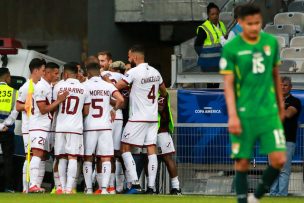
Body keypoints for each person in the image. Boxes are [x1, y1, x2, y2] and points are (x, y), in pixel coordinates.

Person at [220, 5, 286, 203]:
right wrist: (232, 115)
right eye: (250, 24)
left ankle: (255, 197)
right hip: (243, 113)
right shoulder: (231, 48)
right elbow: (229, 85)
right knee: (241, 163)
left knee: (279, 160)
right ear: (240, 23)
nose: (255, 27)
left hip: (269, 112)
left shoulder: (270, 43)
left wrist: (280, 105)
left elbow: (275, 74)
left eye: (258, 23)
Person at [115, 45, 167, 194]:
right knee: (151, 149)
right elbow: (164, 90)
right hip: (152, 117)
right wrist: (158, 102)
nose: (128, 59)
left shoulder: (133, 72)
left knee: (124, 147)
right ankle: (151, 187)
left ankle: (135, 183)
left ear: (135, 57)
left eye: (129, 56)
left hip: (138, 117)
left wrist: (106, 81)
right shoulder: (155, 72)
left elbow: (117, 86)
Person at [82, 62, 124, 195]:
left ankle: (88, 189)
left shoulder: (84, 86)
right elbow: (121, 99)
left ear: (88, 72)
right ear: (99, 72)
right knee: (106, 158)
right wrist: (114, 109)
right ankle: (105, 189)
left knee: (88, 158)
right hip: (105, 126)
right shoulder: (107, 85)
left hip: (89, 126)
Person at [28, 62, 68, 193]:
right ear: (48, 73)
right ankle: (32, 184)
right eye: (56, 73)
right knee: (37, 153)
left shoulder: (48, 86)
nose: (57, 76)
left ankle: (36, 185)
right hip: (38, 125)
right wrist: (59, 100)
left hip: (45, 126)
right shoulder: (40, 87)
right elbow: (43, 109)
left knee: (42, 155)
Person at [53, 63, 90, 194]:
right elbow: (86, 111)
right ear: (76, 73)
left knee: (62, 157)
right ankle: (69, 189)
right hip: (75, 127)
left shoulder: (58, 86)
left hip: (61, 126)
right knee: (73, 157)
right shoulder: (84, 88)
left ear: (66, 74)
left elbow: (54, 106)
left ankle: (62, 188)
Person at [16, 58, 47, 192]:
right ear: (35, 70)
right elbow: (18, 106)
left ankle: (32, 186)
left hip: (36, 125)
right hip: (29, 126)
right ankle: (25, 188)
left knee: (37, 155)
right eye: (42, 70)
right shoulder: (26, 87)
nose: (43, 73)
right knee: (30, 155)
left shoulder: (39, 85)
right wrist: (28, 106)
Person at [270, 76, 302, 196]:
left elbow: (287, 114)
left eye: (285, 85)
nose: (283, 87)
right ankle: (273, 194)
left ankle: (282, 195)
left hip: (287, 140)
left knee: (284, 170)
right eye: (281, 85)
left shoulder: (295, 101)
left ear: (290, 87)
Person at [157, 94, 181, 195]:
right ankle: (152, 188)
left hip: (162, 130)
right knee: (148, 158)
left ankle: (176, 188)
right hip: (149, 130)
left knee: (167, 158)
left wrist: (146, 104)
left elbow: (160, 108)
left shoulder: (161, 93)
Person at [0, 68, 19, 192]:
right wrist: (4, 125)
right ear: (6, 77)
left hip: (3, 128)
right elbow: (15, 112)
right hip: (7, 130)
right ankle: (7, 187)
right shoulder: (14, 92)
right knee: (8, 159)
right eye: (10, 77)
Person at [194, 2, 227, 72]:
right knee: (210, 82)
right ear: (208, 15)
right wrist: (205, 55)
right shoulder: (204, 28)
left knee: (217, 81)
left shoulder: (222, 25)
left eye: (217, 14)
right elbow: (197, 46)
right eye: (212, 14)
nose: (215, 16)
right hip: (208, 63)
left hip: (220, 62)